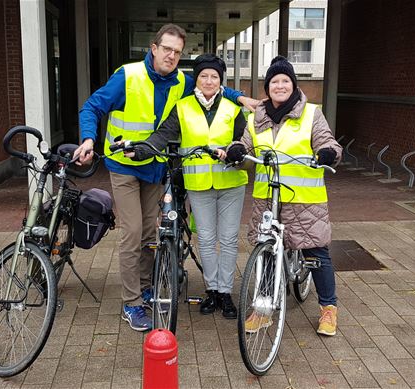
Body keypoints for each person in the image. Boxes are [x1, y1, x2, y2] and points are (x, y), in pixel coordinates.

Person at [73, 24, 260, 331]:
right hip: (125, 164)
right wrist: (89, 140)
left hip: (156, 167)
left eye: (177, 52)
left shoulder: (181, 81)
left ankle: (147, 288)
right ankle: (132, 303)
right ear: (154, 48)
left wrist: (240, 98)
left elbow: (213, 85)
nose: (172, 56)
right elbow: (93, 106)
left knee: (151, 234)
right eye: (167, 49)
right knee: (133, 233)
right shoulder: (128, 76)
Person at [227, 56, 343, 336]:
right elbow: (245, 146)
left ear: (293, 85)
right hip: (268, 199)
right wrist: (235, 151)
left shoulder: (311, 113)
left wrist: (327, 153)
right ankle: (264, 310)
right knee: (267, 252)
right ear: (268, 87)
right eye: (274, 81)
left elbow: (329, 143)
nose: (280, 85)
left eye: (285, 81)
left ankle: (328, 308)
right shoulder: (258, 116)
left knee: (316, 251)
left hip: (305, 200)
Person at [126, 54, 247, 319]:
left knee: (227, 240)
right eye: (204, 75)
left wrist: (234, 150)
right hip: (198, 183)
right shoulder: (182, 107)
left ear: (221, 81)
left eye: (214, 76)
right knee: (205, 238)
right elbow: (163, 135)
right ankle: (212, 290)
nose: (209, 80)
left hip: (231, 183)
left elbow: (244, 141)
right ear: (197, 79)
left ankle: (226, 293)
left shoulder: (233, 109)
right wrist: (144, 149)